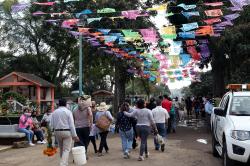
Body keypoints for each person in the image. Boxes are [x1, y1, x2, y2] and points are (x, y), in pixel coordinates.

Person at [50, 98, 79, 166]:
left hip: (57, 132)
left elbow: (51, 124)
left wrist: (53, 132)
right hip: (67, 132)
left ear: (58, 104)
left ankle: (64, 163)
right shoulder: (68, 112)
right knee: (66, 149)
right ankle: (63, 164)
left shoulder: (54, 112)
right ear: (66, 104)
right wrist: (74, 135)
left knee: (62, 149)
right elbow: (72, 125)